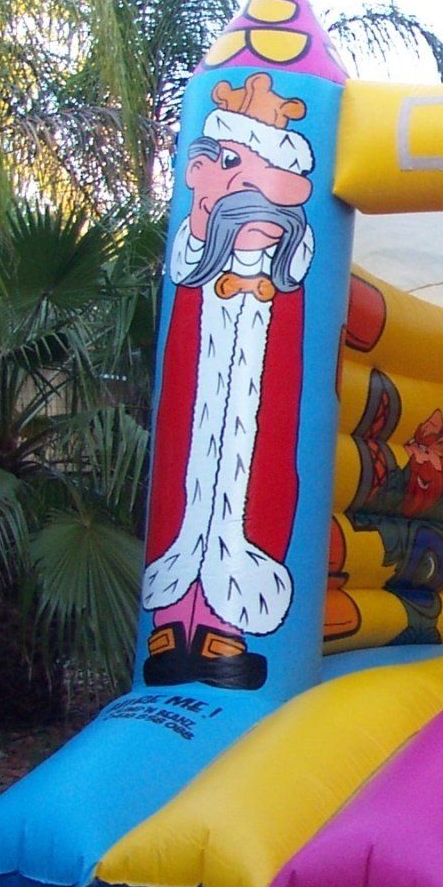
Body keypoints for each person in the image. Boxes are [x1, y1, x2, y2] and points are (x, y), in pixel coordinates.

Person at [140, 74, 318, 690]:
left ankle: (228, 625)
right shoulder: (198, 261)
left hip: (257, 413)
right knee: (188, 490)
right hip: (198, 408)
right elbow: (192, 256)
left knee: (251, 500)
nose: (248, 197)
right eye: (228, 167)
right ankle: (171, 619)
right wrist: (202, 203)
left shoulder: (288, 273)